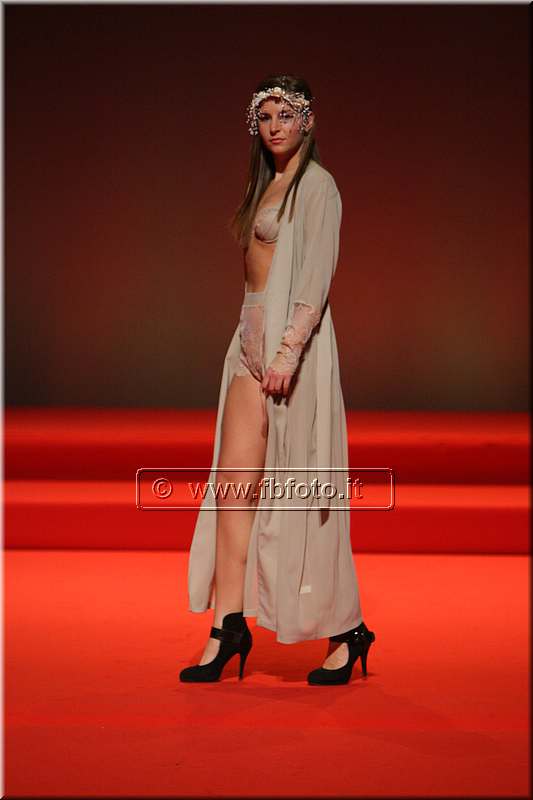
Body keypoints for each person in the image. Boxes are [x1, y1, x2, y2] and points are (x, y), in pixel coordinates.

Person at [180, 74, 375, 686]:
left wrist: (288, 353)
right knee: (233, 488)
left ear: (307, 121)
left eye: (285, 115)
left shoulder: (318, 186)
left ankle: (347, 630)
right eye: (264, 117)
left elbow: (315, 277)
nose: (274, 127)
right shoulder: (265, 184)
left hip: (294, 348)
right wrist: (255, 344)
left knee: (301, 493)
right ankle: (227, 626)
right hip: (248, 339)